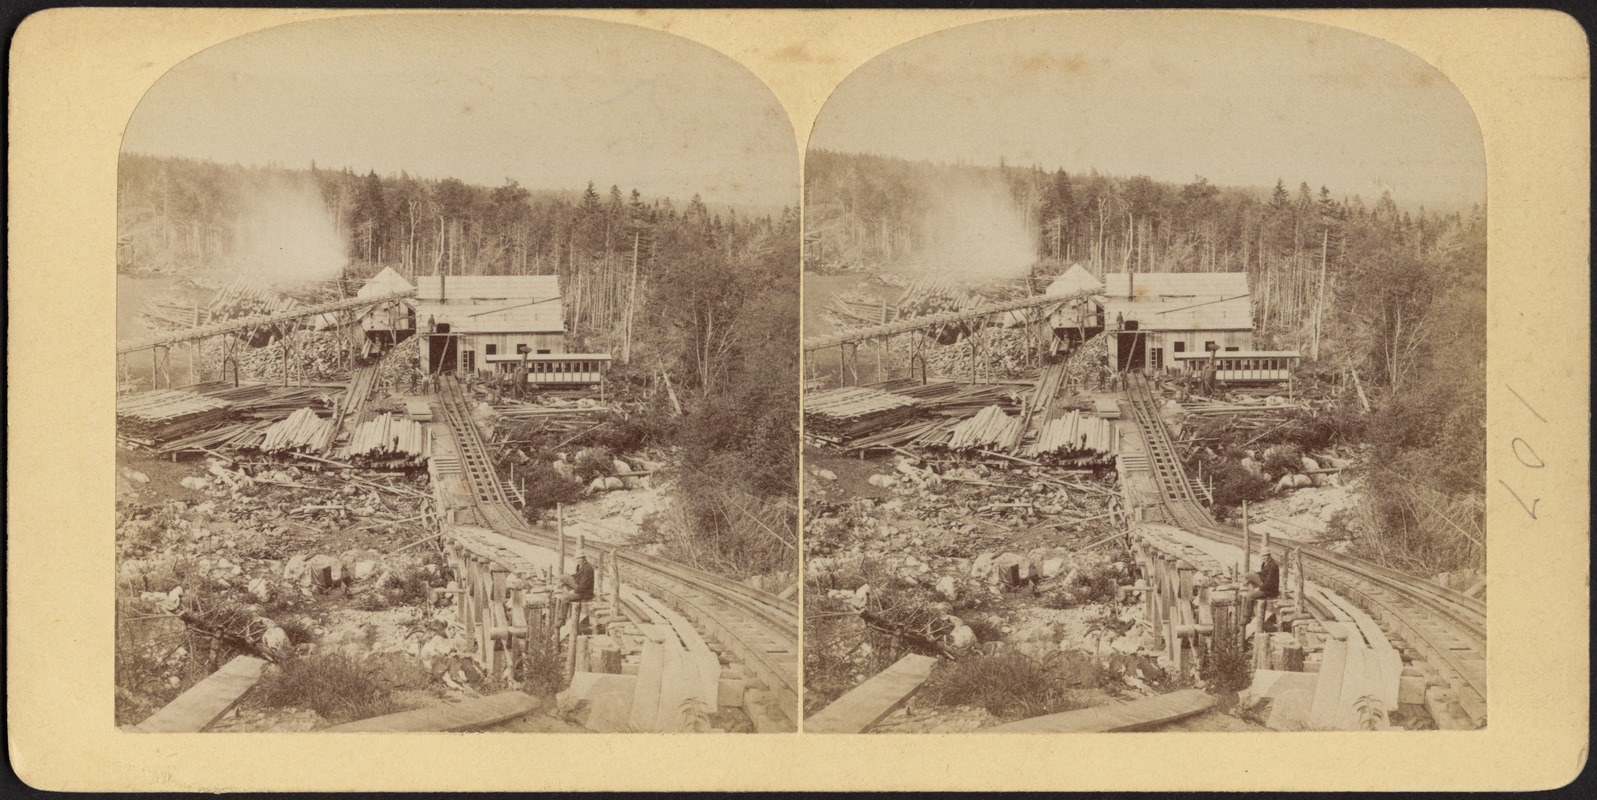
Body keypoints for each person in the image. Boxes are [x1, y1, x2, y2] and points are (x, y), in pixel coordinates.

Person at [1245, 550, 1281, 626]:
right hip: (1265, 584)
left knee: (1250, 597)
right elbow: (1263, 574)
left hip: (1270, 590)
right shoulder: (1265, 563)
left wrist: (1260, 588)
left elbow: (1269, 581)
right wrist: (1256, 574)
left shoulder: (1273, 566)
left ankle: (1247, 617)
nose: (1263, 558)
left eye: (1265, 556)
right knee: (1248, 575)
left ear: (1269, 556)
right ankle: (1256, 589)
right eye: (1262, 556)